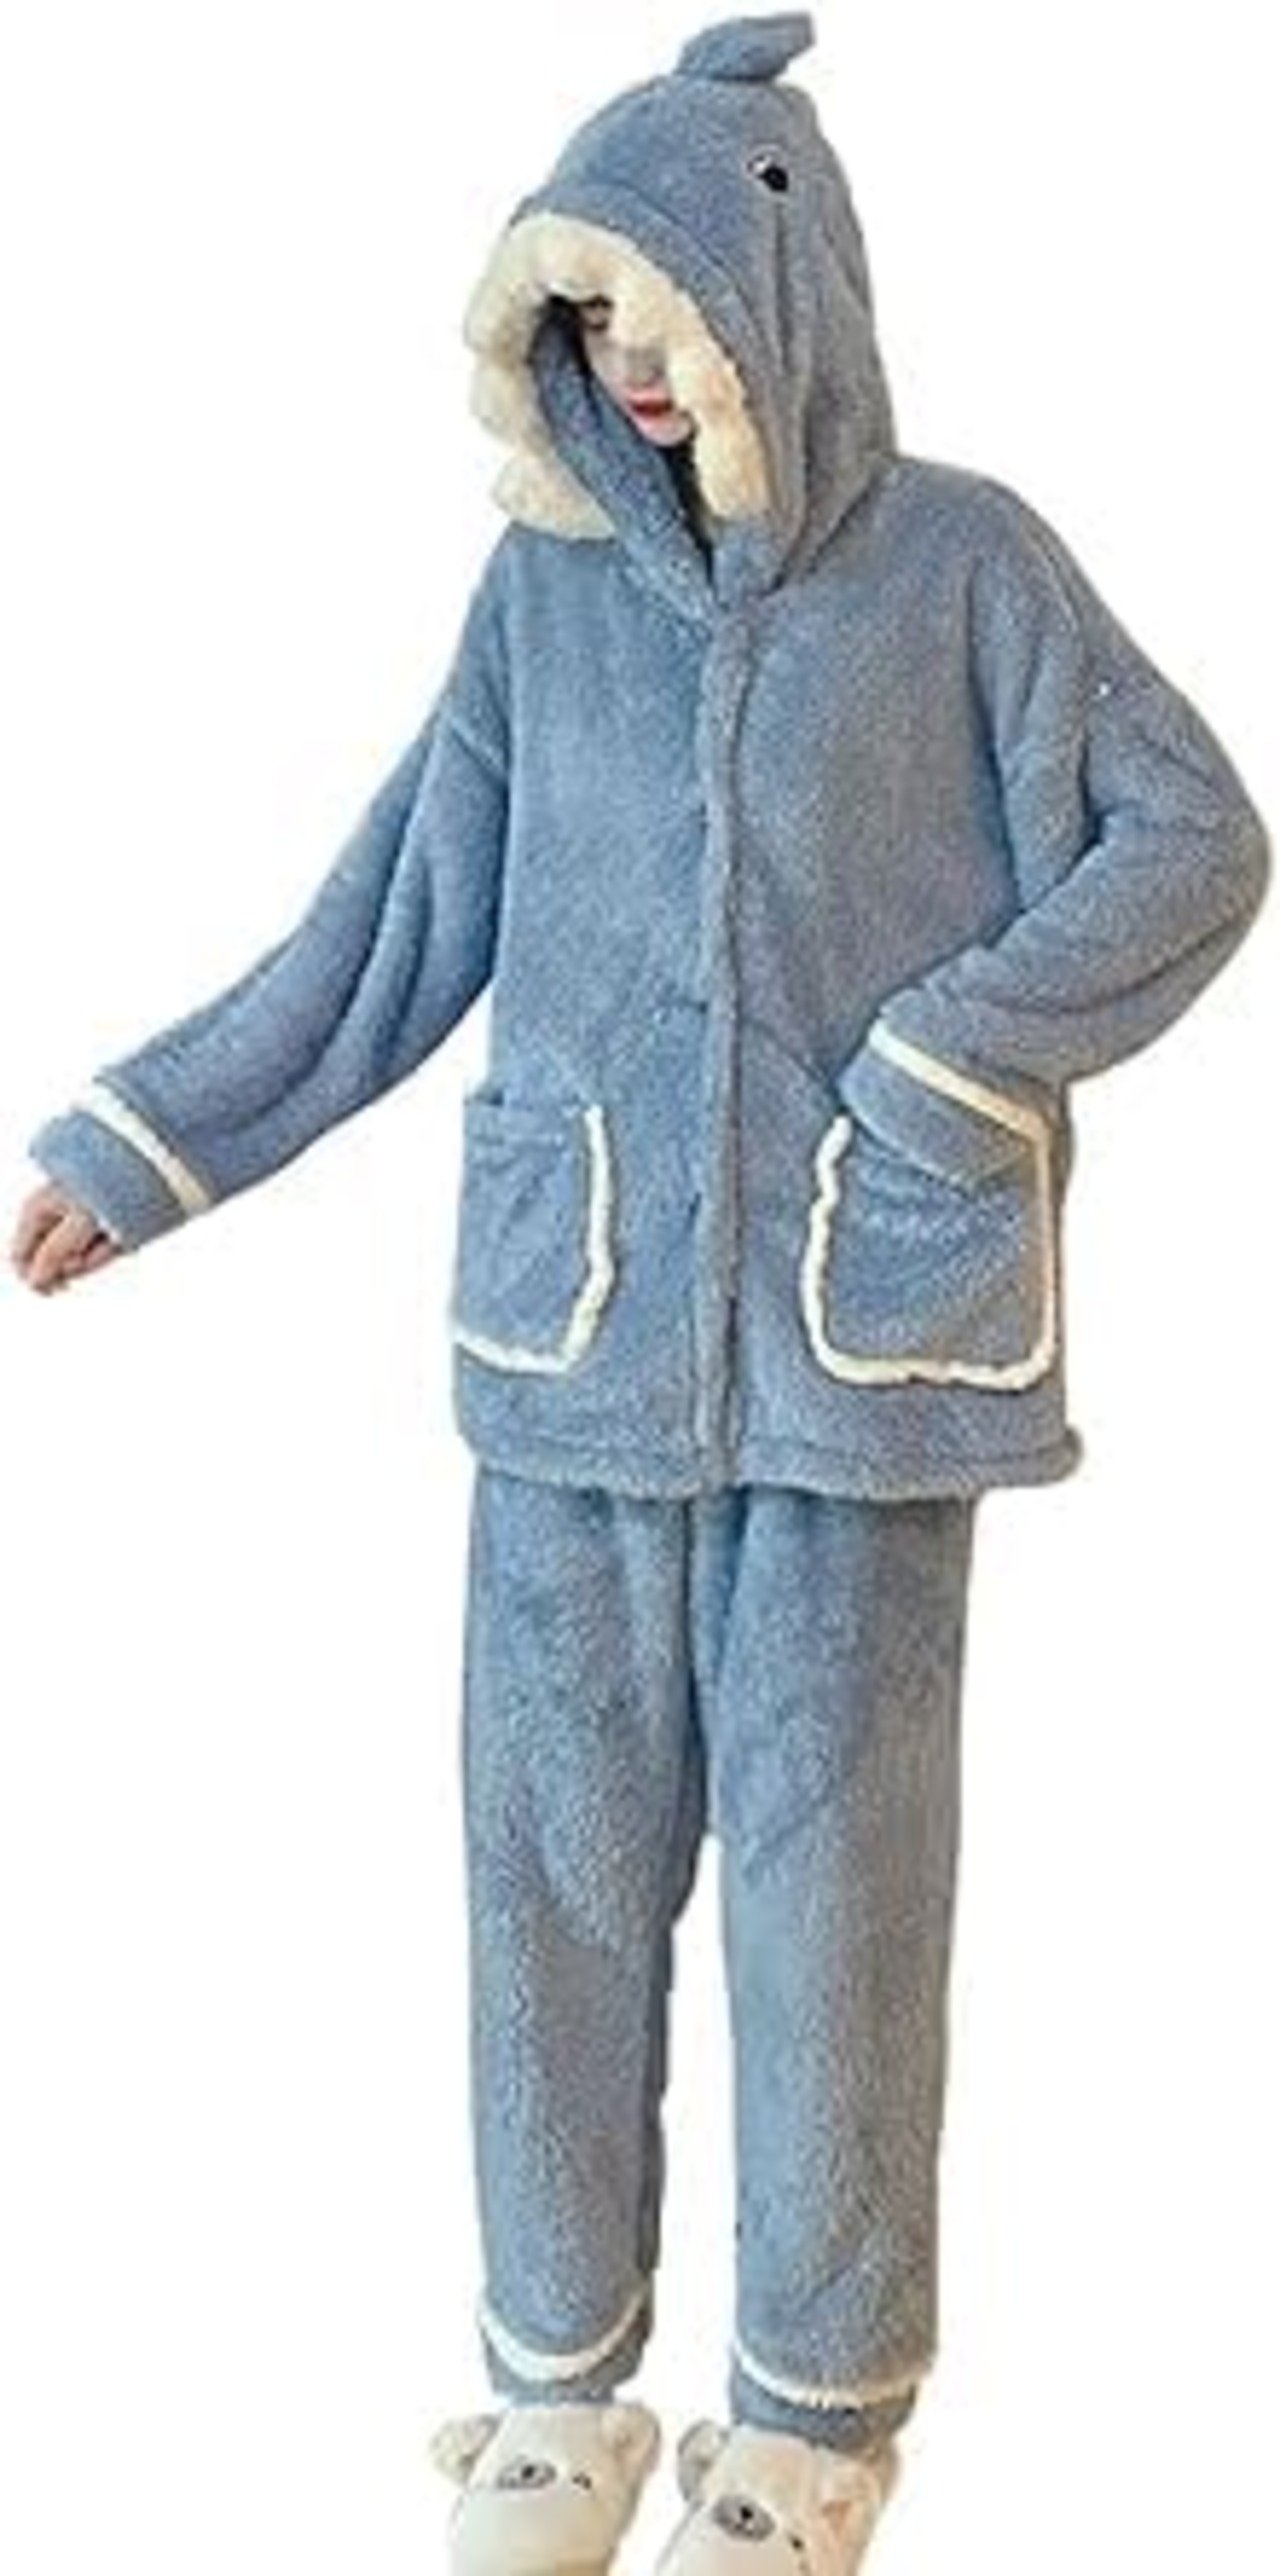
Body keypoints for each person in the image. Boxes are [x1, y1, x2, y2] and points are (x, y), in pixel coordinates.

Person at [10, 14, 1270, 2575]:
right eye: (590, 321)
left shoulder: (967, 572)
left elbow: (1194, 837)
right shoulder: (542, 603)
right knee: (549, 1886)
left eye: (667, 310)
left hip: (855, 1352)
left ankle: (805, 2431)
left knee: (836, 1913)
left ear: (786, 288)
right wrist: (142, 1140)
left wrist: (949, 1056)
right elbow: (394, 925)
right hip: (574, 1351)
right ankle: (552, 2398)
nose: (638, 366)